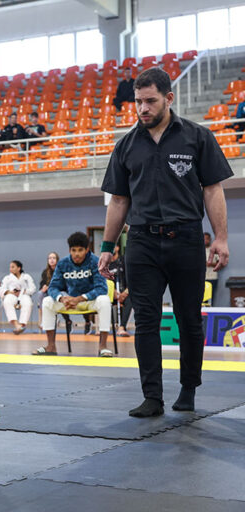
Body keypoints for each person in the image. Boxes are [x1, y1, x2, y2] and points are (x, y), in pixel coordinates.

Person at [99, 67, 233, 417]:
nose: (142, 108)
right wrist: (107, 247)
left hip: (187, 237)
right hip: (141, 241)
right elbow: (118, 201)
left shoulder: (197, 137)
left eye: (150, 101)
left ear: (168, 99)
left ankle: (188, 389)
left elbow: (213, 190)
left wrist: (220, 238)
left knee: (189, 318)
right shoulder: (126, 145)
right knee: (145, 319)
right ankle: (152, 396)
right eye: (138, 102)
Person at [35, 231, 112, 357]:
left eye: (80, 250)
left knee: (104, 300)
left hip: (89, 301)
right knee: (47, 301)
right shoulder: (63, 264)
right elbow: (53, 287)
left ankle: (103, 346)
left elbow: (102, 288)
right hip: (70, 302)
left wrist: (80, 298)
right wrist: (62, 299)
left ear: (87, 249)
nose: (76, 254)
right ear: (69, 250)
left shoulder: (96, 262)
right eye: (73, 250)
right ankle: (51, 346)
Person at [0, 260, 36, 334]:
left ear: (19, 268)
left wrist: (24, 291)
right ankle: (16, 325)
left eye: (13, 267)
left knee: (28, 303)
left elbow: (33, 288)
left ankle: (22, 325)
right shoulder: (7, 278)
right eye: (10, 267)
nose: (10, 269)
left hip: (24, 295)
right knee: (7, 301)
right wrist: (10, 292)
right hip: (12, 295)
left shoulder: (26, 277)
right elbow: (1, 289)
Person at [108, 244, 132, 337]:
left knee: (130, 300)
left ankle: (122, 327)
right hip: (112, 293)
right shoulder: (106, 264)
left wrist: (125, 293)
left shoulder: (124, 260)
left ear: (117, 248)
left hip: (124, 292)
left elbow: (132, 278)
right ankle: (103, 328)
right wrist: (112, 291)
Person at [35, 251, 59, 331]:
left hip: (58, 292)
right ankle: (43, 319)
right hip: (47, 293)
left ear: (57, 260)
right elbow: (42, 283)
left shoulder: (60, 270)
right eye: (50, 258)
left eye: (54, 258)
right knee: (40, 293)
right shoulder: (45, 272)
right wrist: (43, 287)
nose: (51, 260)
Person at [204, 232, 219, 305]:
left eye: (207, 239)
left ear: (210, 239)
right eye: (204, 239)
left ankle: (211, 311)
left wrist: (210, 264)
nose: (205, 240)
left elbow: (220, 263)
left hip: (212, 277)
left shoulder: (214, 250)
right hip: (201, 277)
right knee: (201, 297)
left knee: (211, 297)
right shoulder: (198, 250)